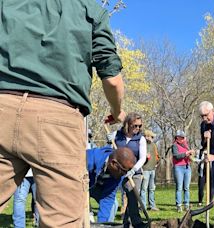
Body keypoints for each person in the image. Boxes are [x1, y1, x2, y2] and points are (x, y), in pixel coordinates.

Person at [0, 1, 125, 227]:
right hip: (57, 119)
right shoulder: (89, 10)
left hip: (2, 108)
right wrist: (117, 112)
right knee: (63, 221)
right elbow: (113, 80)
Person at [114, 113, 147, 227]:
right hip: (120, 172)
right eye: (135, 125)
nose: (138, 128)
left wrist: (134, 169)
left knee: (132, 196)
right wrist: (109, 140)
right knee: (129, 197)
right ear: (128, 124)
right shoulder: (118, 136)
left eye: (140, 126)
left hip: (135, 173)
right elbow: (112, 151)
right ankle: (127, 222)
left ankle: (136, 222)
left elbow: (142, 158)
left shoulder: (140, 139)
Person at [87, 147, 135, 223]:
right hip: (77, 188)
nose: (124, 175)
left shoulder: (118, 174)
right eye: (124, 171)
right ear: (113, 163)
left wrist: (101, 224)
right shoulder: (88, 160)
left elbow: (107, 198)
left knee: (113, 205)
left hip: (95, 188)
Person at [172, 130, 194, 212]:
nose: (183, 139)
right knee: (179, 187)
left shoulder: (186, 146)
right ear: (177, 138)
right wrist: (186, 153)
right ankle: (179, 205)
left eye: (184, 137)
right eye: (182, 137)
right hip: (178, 167)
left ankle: (187, 204)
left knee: (186, 187)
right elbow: (176, 156)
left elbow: (188, 155)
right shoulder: (174, 146)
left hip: (187, 167)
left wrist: (191, 156)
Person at [140, 130, 160, 211]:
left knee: (152, 188)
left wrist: (157, 161)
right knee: (144, 189)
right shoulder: (142, 145)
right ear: (146, 136)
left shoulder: (153, 145)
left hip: (152, 169)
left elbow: (156, 155)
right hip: (145, 169)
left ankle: (152, 205)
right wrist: (144, 157)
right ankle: (143, 207)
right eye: (151, 137)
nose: (152, 138)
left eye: (152, 137)